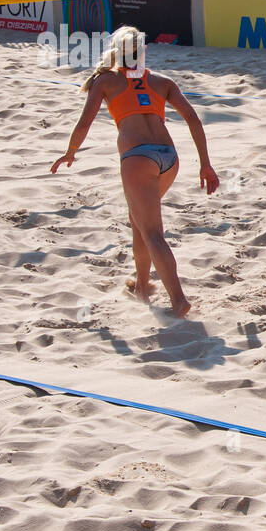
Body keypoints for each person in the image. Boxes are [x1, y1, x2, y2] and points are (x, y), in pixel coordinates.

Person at [50, 27, 219, 319]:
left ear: (116, 50)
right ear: (143, 51)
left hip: (138, 157)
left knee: (152, 232)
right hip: (169, 158)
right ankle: (142, 286)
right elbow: (193, 118)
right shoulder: (162, 81)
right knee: (139, 220)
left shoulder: (104, 80)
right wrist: (205, 163)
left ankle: (179, 300)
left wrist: (70, 151)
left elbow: (84, 123)